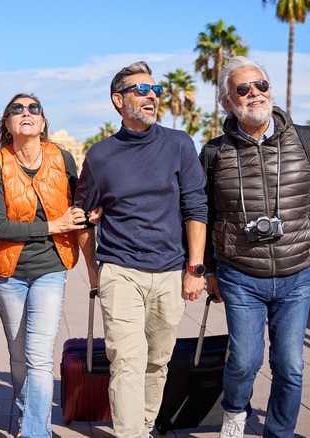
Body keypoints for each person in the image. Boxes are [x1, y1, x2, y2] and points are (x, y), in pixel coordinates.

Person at [200, 56, 310, 438]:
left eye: (261, 86)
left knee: (290, 364)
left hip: (298, 272)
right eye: (243, 88)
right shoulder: (214, 152)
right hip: (240, 273)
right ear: (226, 102)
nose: (255, 93)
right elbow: (203, 213)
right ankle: (235, 413)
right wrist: (208, 270)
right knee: (245, 361)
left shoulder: (306, 139)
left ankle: (280, 433)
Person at [73, 61, 209, 438]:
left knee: (157, 361)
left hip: (169, 270)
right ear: (119, 100)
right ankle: (131, 433)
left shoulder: (180, 144)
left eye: (156, 90)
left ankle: (145, 425)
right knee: (127, 361)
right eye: (142, 90)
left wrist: (195, 269)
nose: (152, 97)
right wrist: (94, 271)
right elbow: (82, 215)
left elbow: (196, 207)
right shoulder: (100, 156)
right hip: (120, 271)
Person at [0, 93, 86, 438]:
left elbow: (79, 208)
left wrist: (86, 216)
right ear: (8, 126)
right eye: (17, 109)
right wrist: (54, 226)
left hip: (50, 268)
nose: (26, 113)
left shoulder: (62, 158)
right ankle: (27, 417)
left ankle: (35, 432)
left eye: (33, 109)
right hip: (7, 270)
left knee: (39, 356)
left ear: (42, 123)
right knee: (19, 354)